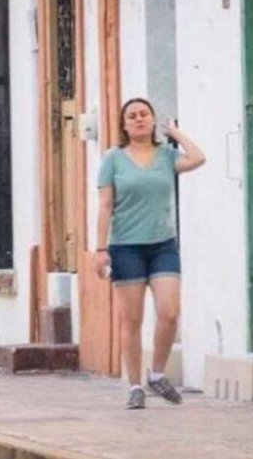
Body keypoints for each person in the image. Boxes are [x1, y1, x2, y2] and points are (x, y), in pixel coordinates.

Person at [94, 97, 206, 410]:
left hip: (163, 245)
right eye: (132, 116)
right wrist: (100, 249)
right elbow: (105, 206)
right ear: (124, 125)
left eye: (144, 114)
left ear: (152, 120)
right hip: (126, 246)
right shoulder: (113, 159)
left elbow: (198, 158)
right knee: (131, 320)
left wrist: (175, 133)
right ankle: (134, 385)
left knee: (169, 312)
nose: (139, 119)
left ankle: (157, 374)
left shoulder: (167, 156)